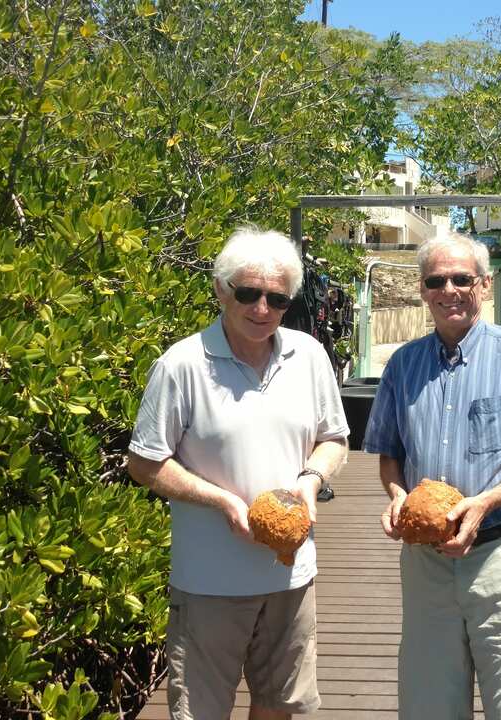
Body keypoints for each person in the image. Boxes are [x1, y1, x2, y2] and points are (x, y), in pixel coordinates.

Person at [126, 228, 350, 720]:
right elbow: (144, 462)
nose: (262, 309)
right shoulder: (182, 364)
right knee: (202, 710)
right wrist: (222, 501)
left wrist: (311, 479)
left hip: (291, 575)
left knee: (278, 706)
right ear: (221, 289)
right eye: (248, 293)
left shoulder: (309, 356)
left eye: (277, 298)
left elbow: (334, 437)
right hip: (209, 580)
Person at [362, 233, 501, 719]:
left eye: (462, 279)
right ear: (423, 290)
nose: (449, 290)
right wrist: (397, 495)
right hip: (426, 568)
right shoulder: (402, 364)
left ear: (483, 284)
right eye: (437, 280)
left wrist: (483, 504)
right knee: (427, 707)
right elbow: (388, 456)